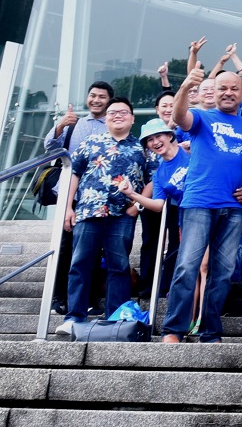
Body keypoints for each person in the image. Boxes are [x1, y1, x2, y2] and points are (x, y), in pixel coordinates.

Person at [161, 62, 242, 344]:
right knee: (187, 267)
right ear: (214, 92)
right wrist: (186, 85)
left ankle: (210, 331)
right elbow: (178, 117)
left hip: (233, 209)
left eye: (234, 89)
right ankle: (173, 329)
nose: (228, 93)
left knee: (223, 273)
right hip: (200, 202)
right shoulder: (203, 117)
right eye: (222, 88)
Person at [55, 97, 147, 336]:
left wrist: (136, 205)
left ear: (132, 118)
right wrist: (67, 207)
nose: (118, 115)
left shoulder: (141, 148)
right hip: (88, 211)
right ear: (105, 118)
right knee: (80, 264)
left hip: (122, 214)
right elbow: (73, 174)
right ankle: (74, 317)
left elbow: (154, 179)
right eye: (113, 112)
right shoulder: (90, 142)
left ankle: (115, 320)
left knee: (119, 266)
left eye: (124, 112)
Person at [44, 80, 114, 315]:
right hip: (73, 194)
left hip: (99, 195)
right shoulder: (76, 124)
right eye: (93, 95)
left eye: (102, 97)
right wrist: (61, 125)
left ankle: (90, 298)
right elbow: (50, 147)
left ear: (109, 100)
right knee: (66, 247)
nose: (96, 100)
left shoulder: (113, 124)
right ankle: (58, 297)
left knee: (95, 248)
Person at [120, 118, 188, 299]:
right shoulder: (159, 175)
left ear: (169, 135)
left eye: (158, 136)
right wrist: (132, 195)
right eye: (150, 140)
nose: (155, 142)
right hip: (186, 217)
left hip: (211, 208)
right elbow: (158, 205)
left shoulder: (190, 150)